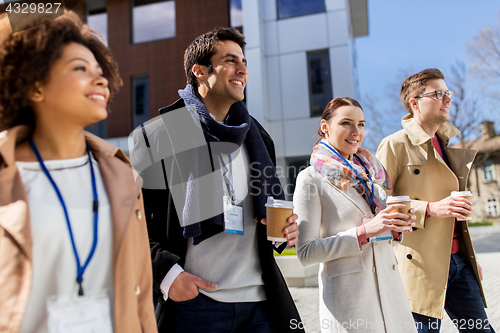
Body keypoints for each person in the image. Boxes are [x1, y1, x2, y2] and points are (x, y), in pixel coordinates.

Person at [129, 27, 303, 333]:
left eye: (244, 62)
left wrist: (283, 231)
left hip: (261, 302)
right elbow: (132, 225)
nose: (242, 69)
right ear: (199, 71)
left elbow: (266, 217)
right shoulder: (159, 135)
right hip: (194, 304)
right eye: (230, 60)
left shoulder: (259, 138)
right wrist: (169, 276)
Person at [0, 12, 157, 333]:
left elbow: (142, 299)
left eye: (100, 72)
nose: (100, 80)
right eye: (80, 69)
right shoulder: (6, 173)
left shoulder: (123, 176)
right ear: (35, 86)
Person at [376, 68, 494, 333]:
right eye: (437, 93)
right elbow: (378, 202)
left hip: (458, 263)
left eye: (447, 93)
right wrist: (430, 208)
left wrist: (470, 259)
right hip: (419, 263)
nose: (447, 98)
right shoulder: (395, 144)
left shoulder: (446, 144)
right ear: (414, 103)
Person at [293, 97, 417, 333]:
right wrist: (363, 232)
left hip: (392, 299)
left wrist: (396, 229)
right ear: (324, 127)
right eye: (346, 123)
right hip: (351, 305)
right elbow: (306, 253)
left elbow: (381, 235)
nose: (356, 132)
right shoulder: (310, 179)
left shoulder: (369, 178)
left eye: (361, 124)